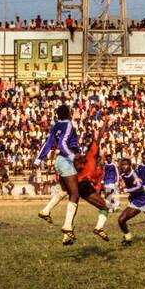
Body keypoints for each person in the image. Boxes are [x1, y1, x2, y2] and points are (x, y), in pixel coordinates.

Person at [36, 104, 82, 246]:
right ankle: (68, 225)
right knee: (75, 194)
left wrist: (38, 158)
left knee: (64, 190)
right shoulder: (68, 125)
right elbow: (62, 143)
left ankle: (46, 210)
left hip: (59, 161)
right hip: (66, 159)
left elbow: (49, 142)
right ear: (68, 114)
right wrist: (72, 156)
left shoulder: (56, 126)